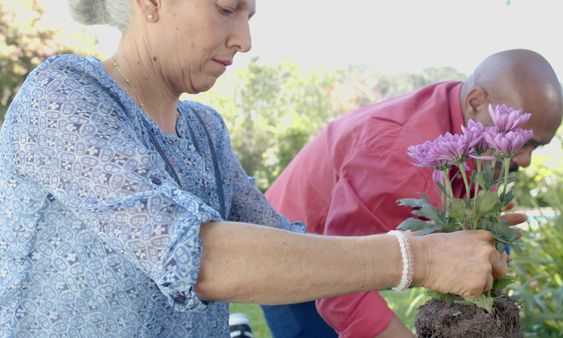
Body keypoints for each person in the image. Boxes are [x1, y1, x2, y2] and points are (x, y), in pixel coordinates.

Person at [0, 0, 517, 336]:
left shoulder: (204, 129)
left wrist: (453, 233)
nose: (244, 40)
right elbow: (197, 258)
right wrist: (419, 259)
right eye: (227, 9)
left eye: (250, 16)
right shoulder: (65, 95)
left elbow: (286, 247)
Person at [262, 49, 563, 338]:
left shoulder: (471, 122)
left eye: (536, 145)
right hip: (288, 245)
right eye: (521, 140)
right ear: (475, 101)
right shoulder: (398, 157)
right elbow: (341, 290)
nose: (525, 160)